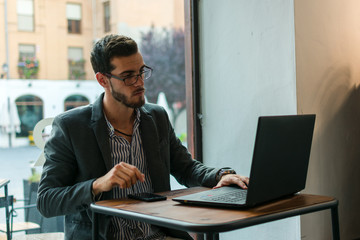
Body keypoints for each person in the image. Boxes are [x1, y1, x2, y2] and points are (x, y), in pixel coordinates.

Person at [37, 34, 249, 240]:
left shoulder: (156, 117)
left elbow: (186, 168)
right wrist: (97, 185)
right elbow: (46, 201)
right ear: (103, 80)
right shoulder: (71, 126)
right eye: (128, 76)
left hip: (157, 235)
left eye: (141, 71)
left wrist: (221, 175)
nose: (139, 82)